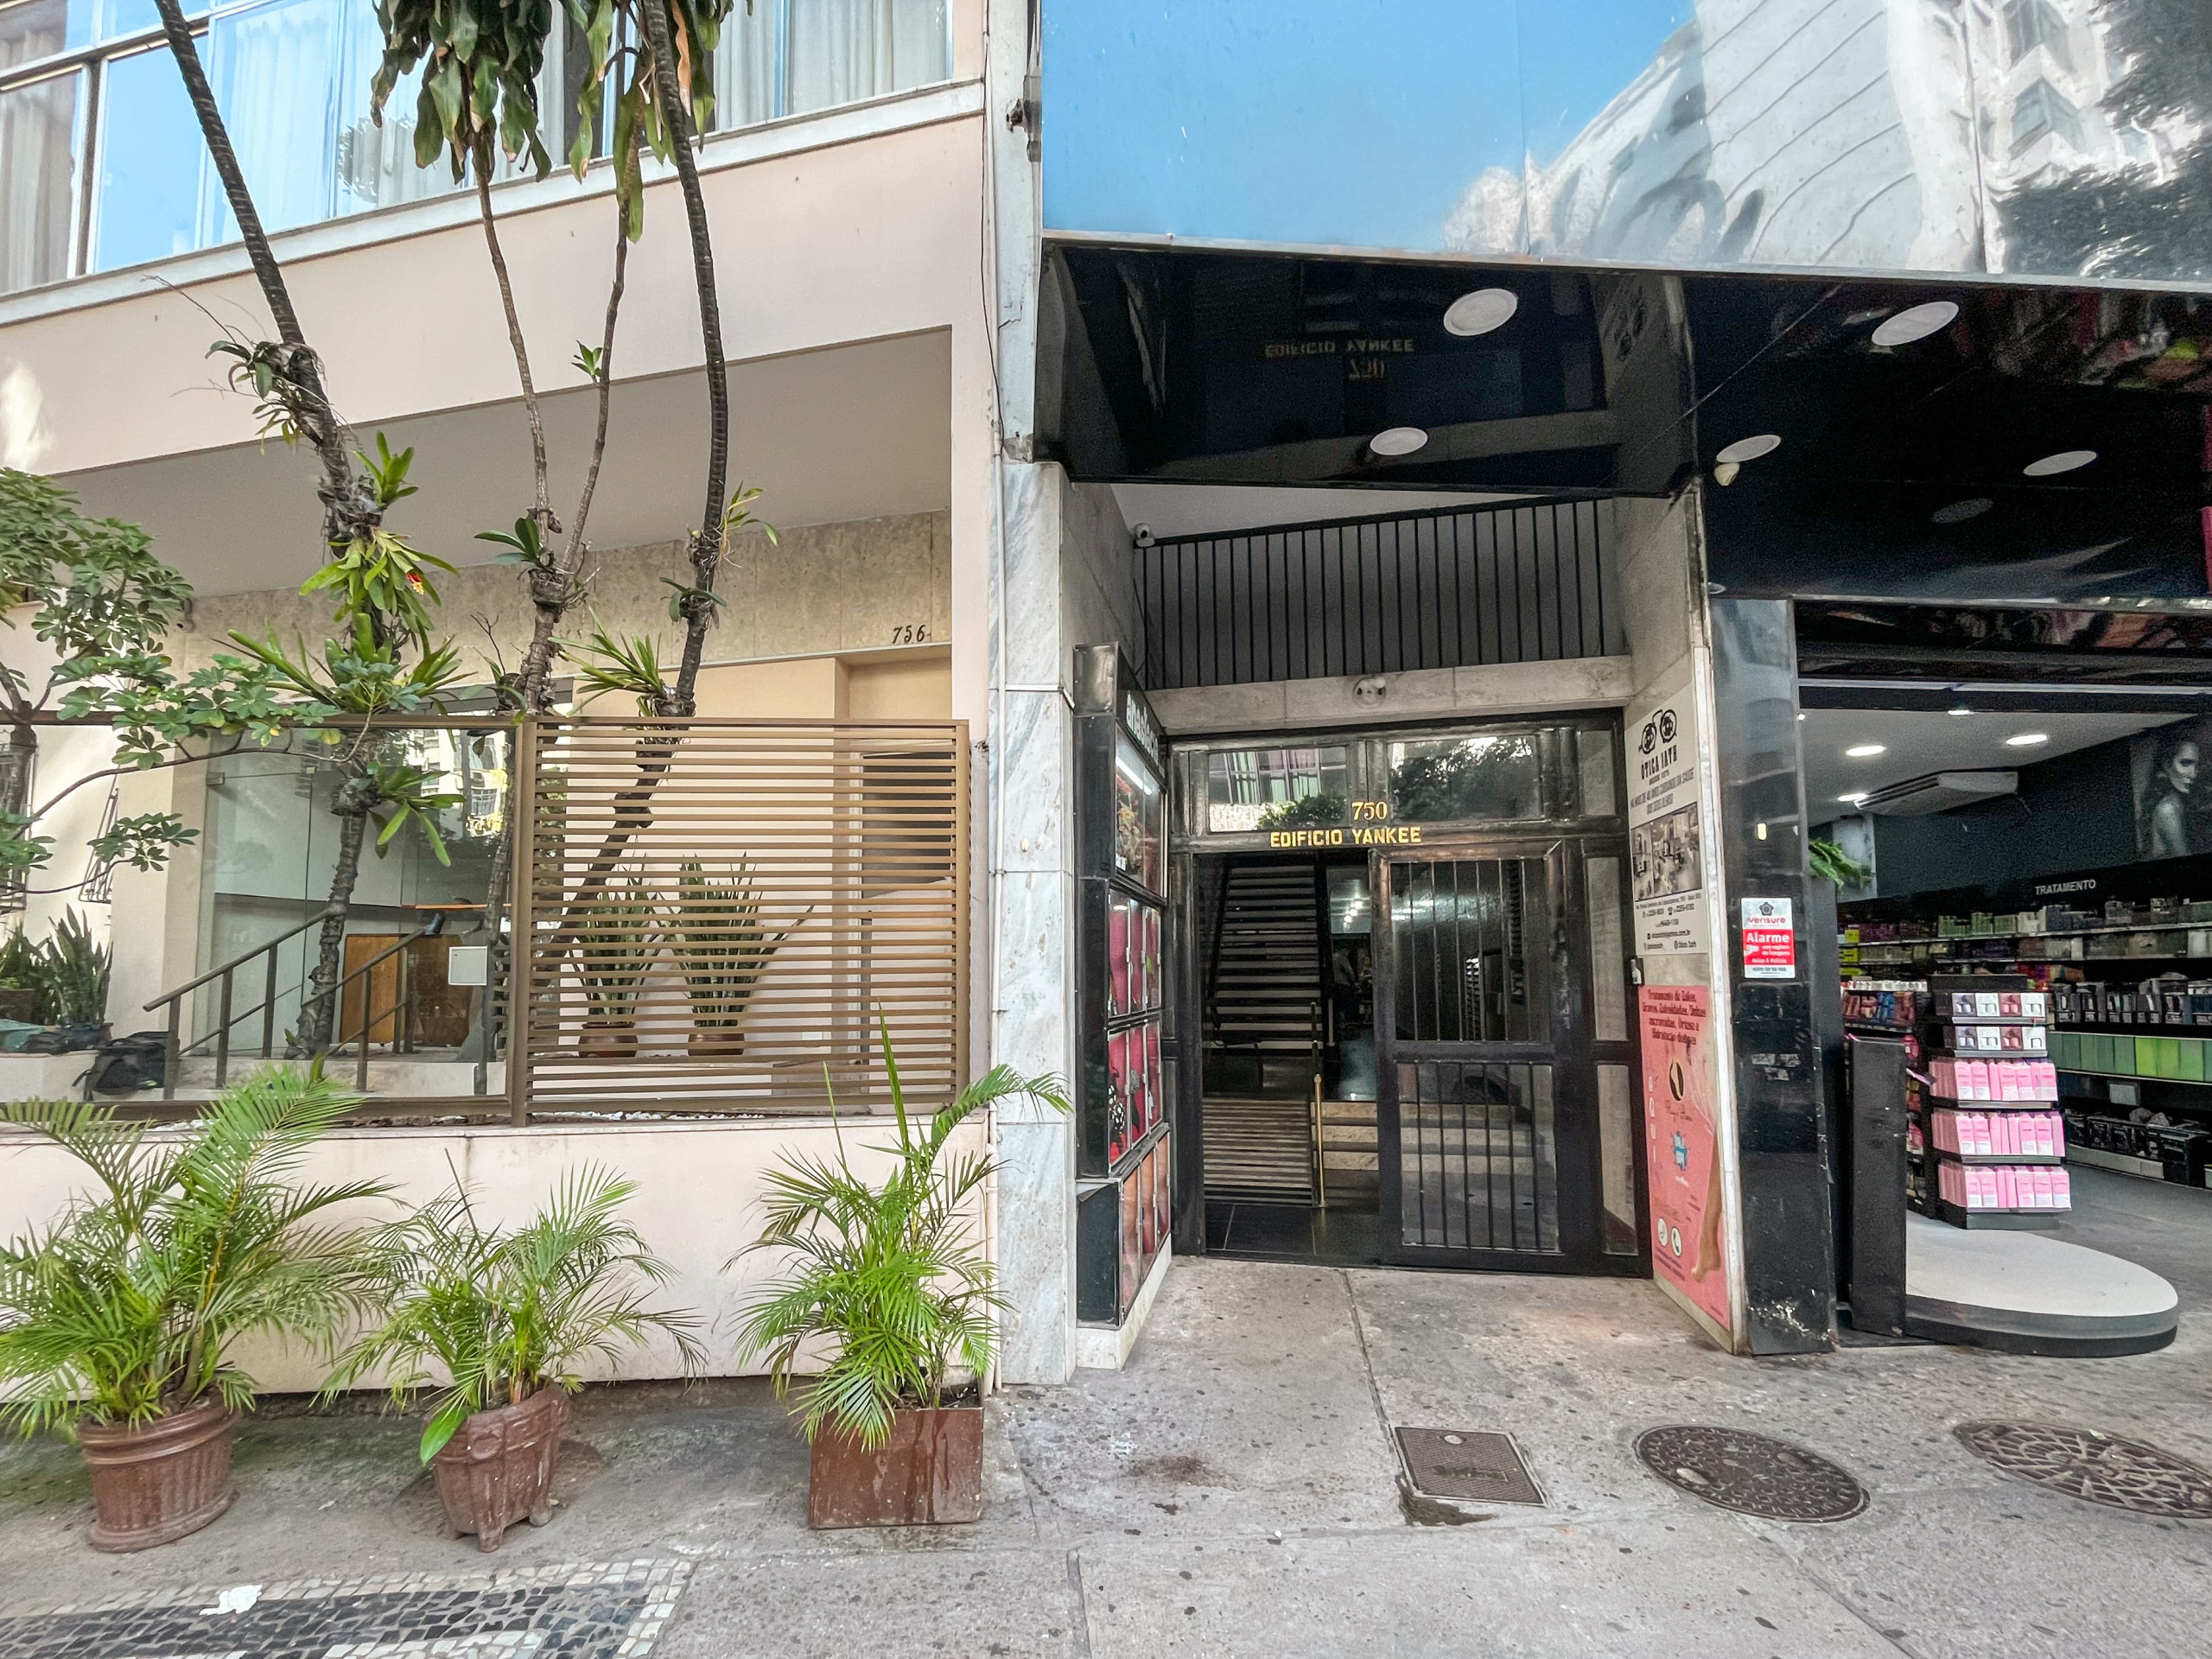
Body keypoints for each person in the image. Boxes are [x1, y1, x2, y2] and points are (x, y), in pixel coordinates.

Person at [2141, 734, 2201, 859]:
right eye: (2185, 763)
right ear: (2167, 764)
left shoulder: (2178, 801)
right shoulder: (2168, 808)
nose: (2193, 774)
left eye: (2197, 765)